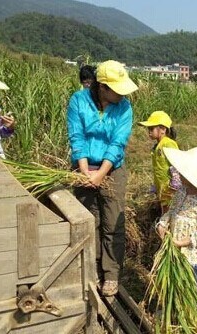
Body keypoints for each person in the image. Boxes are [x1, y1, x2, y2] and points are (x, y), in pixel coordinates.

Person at [67, 60, 138, 296]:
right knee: (90, 220)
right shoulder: (79, 100)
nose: (122, 93)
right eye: (117, 89)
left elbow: (118, 143)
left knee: (112, 222)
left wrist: (100, 174)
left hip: (112, 169)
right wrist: (85, 171)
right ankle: (92, 268)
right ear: (102, 87)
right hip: (83, 165)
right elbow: (77, 136)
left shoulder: (124, 107)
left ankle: (111, 273)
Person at [156, 147, 197, 280]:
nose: (179, 174)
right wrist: (162, 223)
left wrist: (182, 242)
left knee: (185, 286)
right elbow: (172, 211)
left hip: (190, 257)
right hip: (172, 251)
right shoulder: (181, 191)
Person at [138, 111, 181, 213]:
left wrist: (175, 183)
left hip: (170, 190)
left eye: (151, 128)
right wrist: (156, 186)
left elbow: (177, 163)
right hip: (162, 190)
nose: (149, 131)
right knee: (164, 213)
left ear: (163, 129)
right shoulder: (157, 146)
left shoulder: (168, 143)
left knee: (169, 214)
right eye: (148, 129)